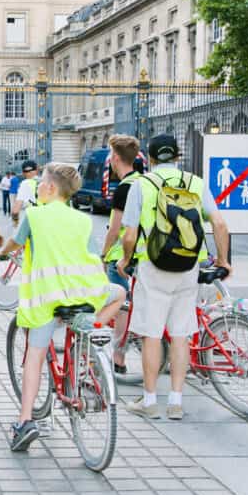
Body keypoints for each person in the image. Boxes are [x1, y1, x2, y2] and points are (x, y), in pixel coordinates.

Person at [0, 162, 124, 451]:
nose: (38, 186)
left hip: (47, 298)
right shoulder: (82, 220)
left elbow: (15, 243)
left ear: (50, 188)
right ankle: (93, 330)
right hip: (84, 294)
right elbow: (91, 256)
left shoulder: (35, 215)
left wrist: (1, 253)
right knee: (120, 295)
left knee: (35, 357)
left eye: (41, 182)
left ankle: (25, 420)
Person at [118, 134, 231, 421]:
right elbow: (219, 222)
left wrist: (125, 259)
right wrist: (223, 260)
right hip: (188, 266)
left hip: (152, 266)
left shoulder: (141, 185)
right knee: (181, 335)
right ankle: (177, 402)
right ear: (178, 156)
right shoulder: (195, 183)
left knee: (152, 335)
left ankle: (150, 400)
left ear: (150, 158)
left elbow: (129, 234)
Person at [98, 135, 142, 375]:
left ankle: (118, 357)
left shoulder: (124, 187)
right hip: (141, 252)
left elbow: (115, 229)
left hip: (121, 256)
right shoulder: (143, 181)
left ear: (115, 158)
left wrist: (104, 255)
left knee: (120, 305)